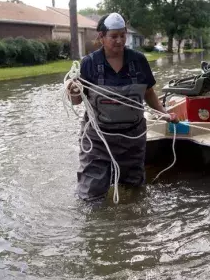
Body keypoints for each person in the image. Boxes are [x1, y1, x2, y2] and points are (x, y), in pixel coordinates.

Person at [66, 12, 178, 202]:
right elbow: (76, 101)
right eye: (113, 36)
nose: (119, 41)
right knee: (91, 193)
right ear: (101, 37)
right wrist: (73, 90)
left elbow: (149, 92)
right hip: (98, 140)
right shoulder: (89, 64)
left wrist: (164, 114)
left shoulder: (139, 61)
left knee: (134, 191)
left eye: (122, 35)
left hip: (132, 138)